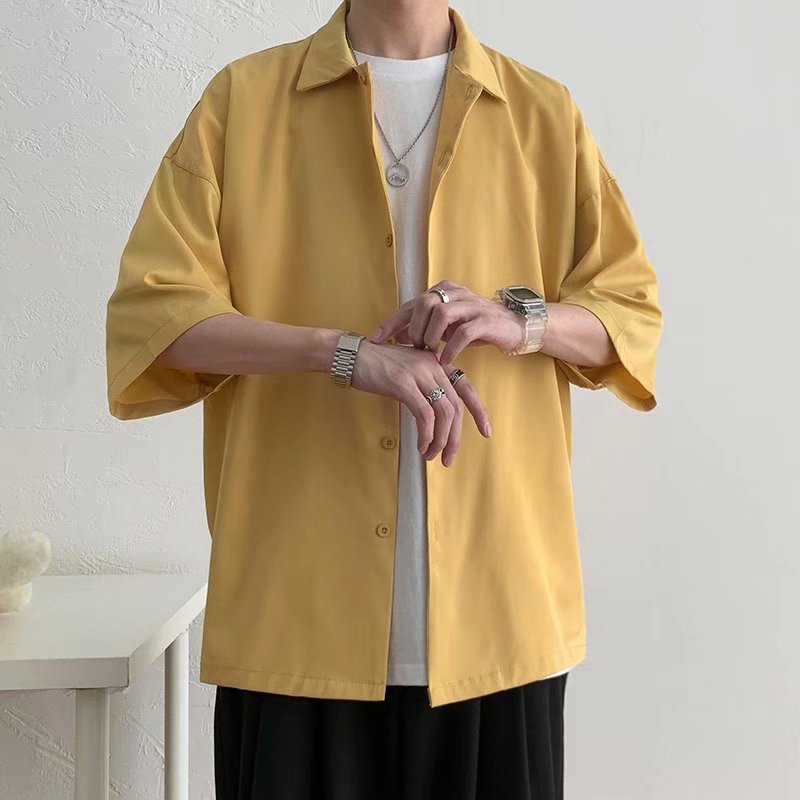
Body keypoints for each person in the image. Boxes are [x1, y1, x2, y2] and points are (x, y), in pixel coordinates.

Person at [105, 0, 662, 797]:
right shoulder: (243, 102)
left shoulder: (543, 113)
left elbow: (629, 319)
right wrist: (344, 354)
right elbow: (154, 321)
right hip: (296, 613)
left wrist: (520, 320)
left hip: (501, 617)